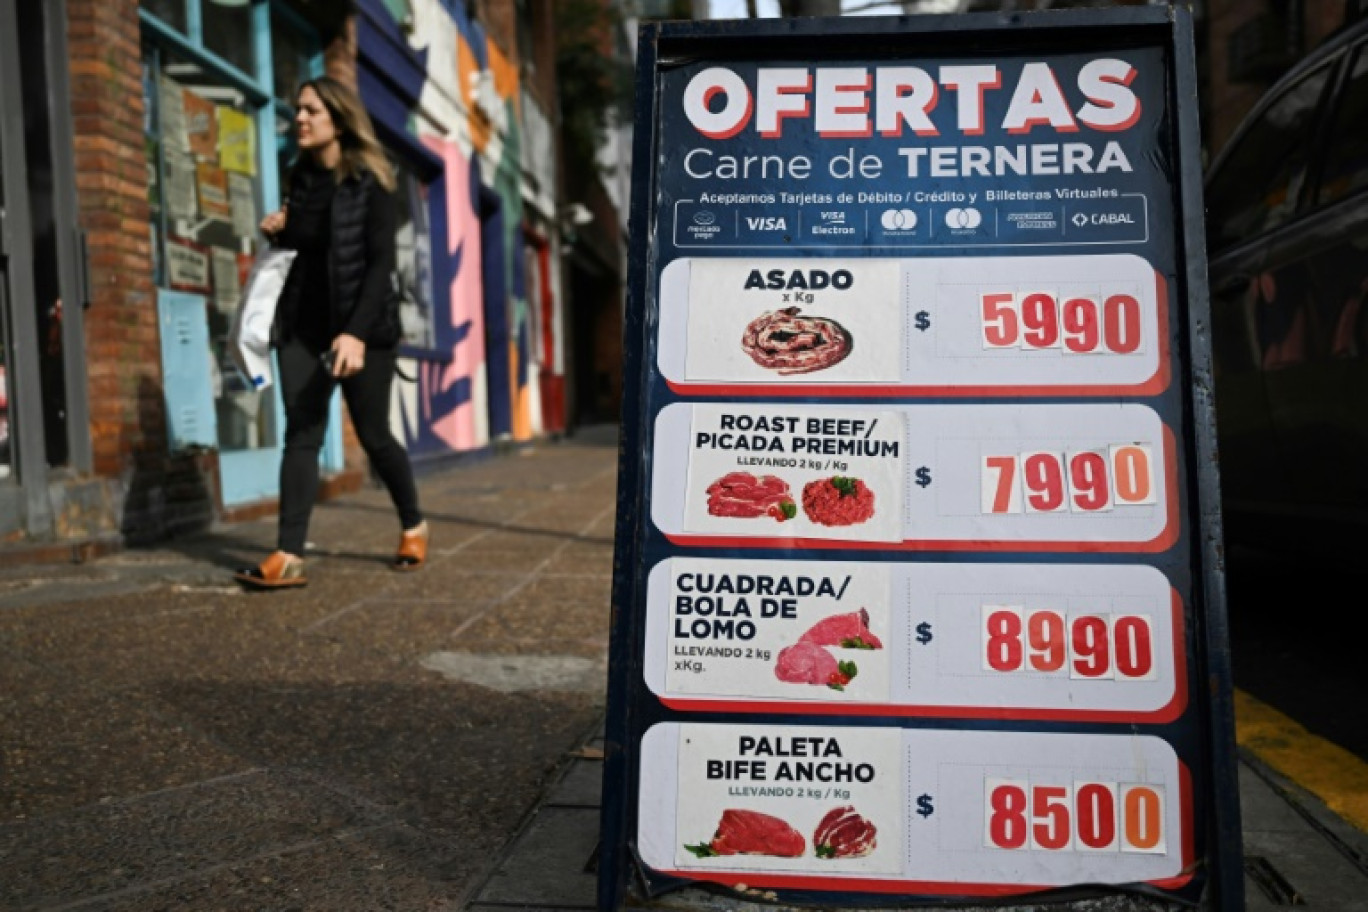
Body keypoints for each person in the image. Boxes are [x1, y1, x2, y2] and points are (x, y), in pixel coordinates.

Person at [235, 76, 427, 590]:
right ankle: (288, 552)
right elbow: (308, 245)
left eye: (311, 110)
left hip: (363, 328)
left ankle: (413, 523)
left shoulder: (371, 181)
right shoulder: (299, 177)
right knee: (302, 433)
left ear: (338, 120)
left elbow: (380, 262)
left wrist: (357, 333)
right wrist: (280, 228)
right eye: (297, 109)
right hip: (303, 326)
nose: (299, 117)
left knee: (373, 436)